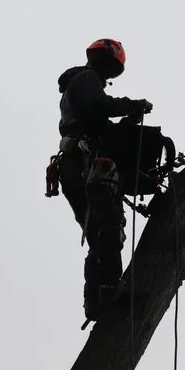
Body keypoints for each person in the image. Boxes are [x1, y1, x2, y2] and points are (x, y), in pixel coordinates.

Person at [56, 38, 153, 321]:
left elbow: (100, 124)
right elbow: (97, 107)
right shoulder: (86, 79)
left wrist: (127, 121)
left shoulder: (81, 87)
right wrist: (132, 105)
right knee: (108, 226)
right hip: (85, 165)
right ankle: (110, 289)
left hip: (76, 168)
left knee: (102, 234)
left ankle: (95, 299)